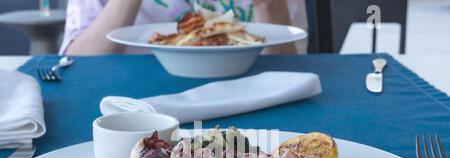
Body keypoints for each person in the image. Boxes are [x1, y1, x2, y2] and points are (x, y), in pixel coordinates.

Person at [61, 0, 306, 55]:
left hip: (250, 98)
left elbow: (289, 63)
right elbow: (79, 61)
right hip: (134, 101)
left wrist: (268, 5)